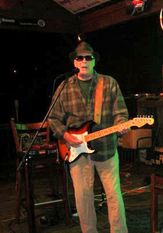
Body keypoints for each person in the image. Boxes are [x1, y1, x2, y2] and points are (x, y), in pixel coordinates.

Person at [48, 41, 128, 233]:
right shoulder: (64, 87)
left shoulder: (108, 83)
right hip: (76, 151)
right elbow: (53, 118)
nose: (84, 61)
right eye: (79, 58)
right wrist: (66, 135)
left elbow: (121, 112)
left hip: (106, 148)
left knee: (114, 196)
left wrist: (122, 123)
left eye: (88, 57)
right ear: (74, 63)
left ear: (94, 61)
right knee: (83, 199)